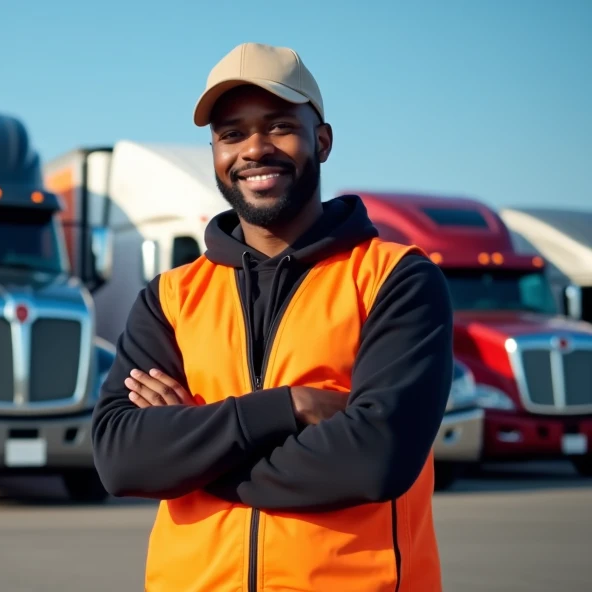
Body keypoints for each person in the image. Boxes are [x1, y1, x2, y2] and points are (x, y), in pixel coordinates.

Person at [90, 42, 454, 592]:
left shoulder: (395, 278)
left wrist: (194, 453)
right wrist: (288, 408)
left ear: (322, 141)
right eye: (232, 134)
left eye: (279, 126)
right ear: (214, 151)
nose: (254, 149)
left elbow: (375, 459)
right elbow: (122, 460)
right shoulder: (171, 296)